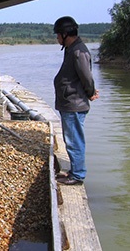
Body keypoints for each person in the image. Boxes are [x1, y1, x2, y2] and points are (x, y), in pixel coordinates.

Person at [53, 16, 99, 186]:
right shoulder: (71, 48)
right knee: (71, 139)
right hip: (69, 102)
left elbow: (86, 77)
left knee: (74, 141)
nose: (57, 38)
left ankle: (78, 175)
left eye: (58, 35)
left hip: (74, 103)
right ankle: (74, 171)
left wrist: (91, 92)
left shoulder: (79, 51)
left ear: (65, 34)